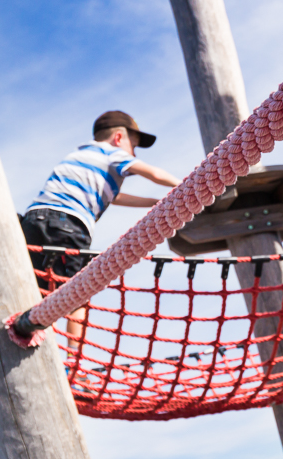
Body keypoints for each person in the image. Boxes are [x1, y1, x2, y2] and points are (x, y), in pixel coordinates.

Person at [19, 111, 180, 347]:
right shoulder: (112, 152)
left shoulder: (82, 155)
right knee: (77, 295)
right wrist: (185, 186)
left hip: (34, 220)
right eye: (133, 146)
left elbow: (114, 197)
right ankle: (75, 362)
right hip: (69, 224)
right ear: (118, 138)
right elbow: (154, 173)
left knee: (39, 290)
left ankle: (29, 338)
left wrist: (154, 202)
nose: (134, 153)